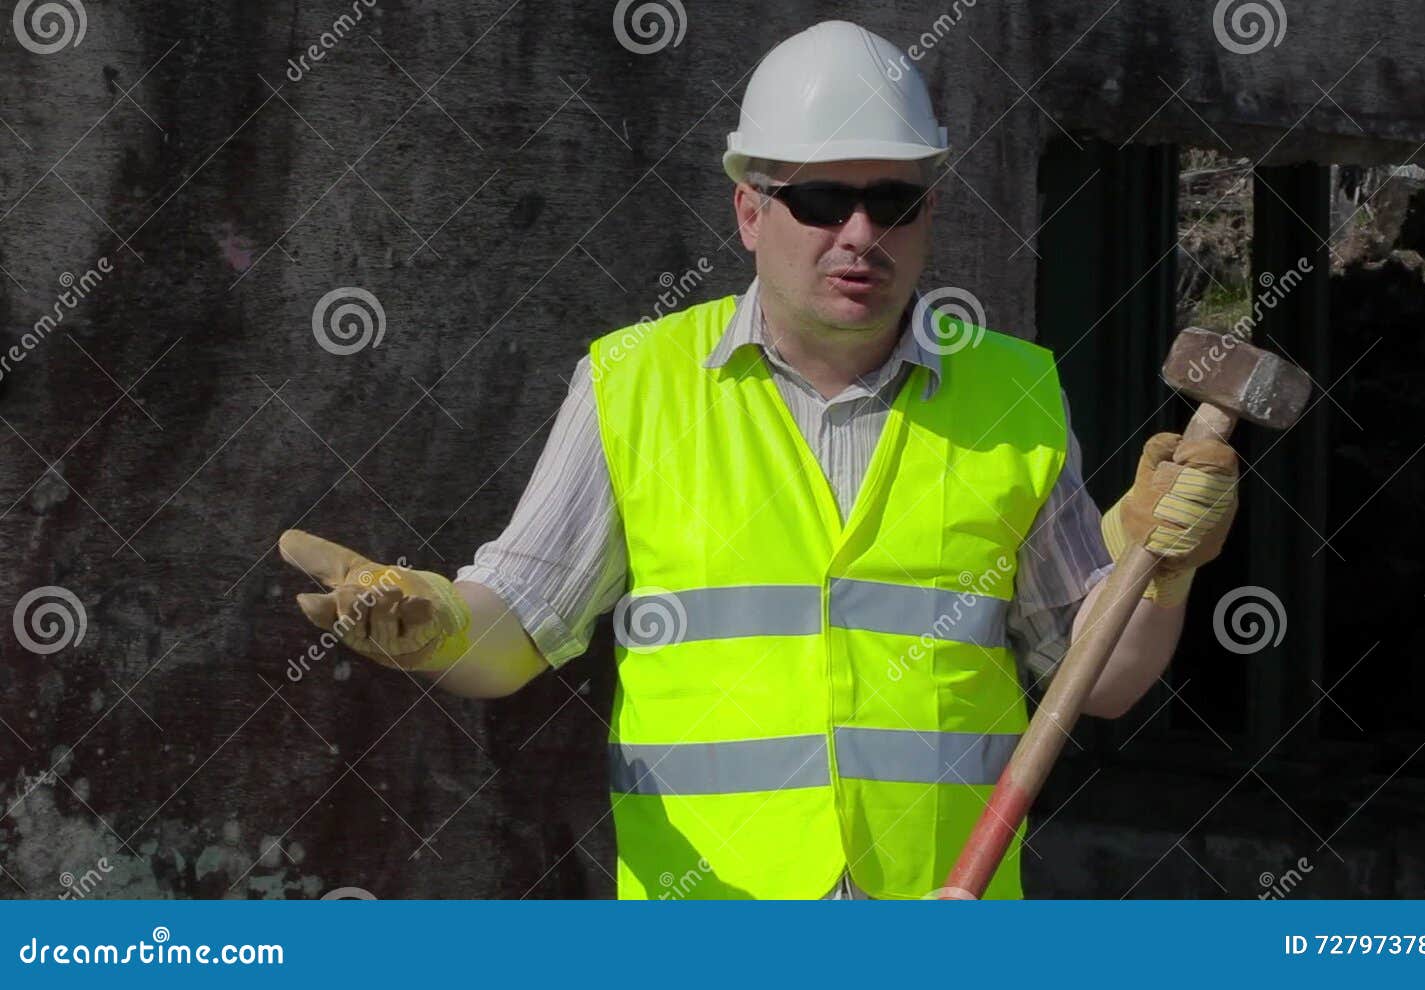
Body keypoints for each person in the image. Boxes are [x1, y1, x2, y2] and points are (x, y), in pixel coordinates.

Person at [278, 19, 1239, 900]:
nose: (860, 233)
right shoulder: (636, 383)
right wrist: (436, 622)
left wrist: (1163, 570)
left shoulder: (1015, 394)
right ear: (749, 211)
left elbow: (1099, 681)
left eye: (893, 201)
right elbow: (519, 627)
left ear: (928, 214)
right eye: (821, 199)